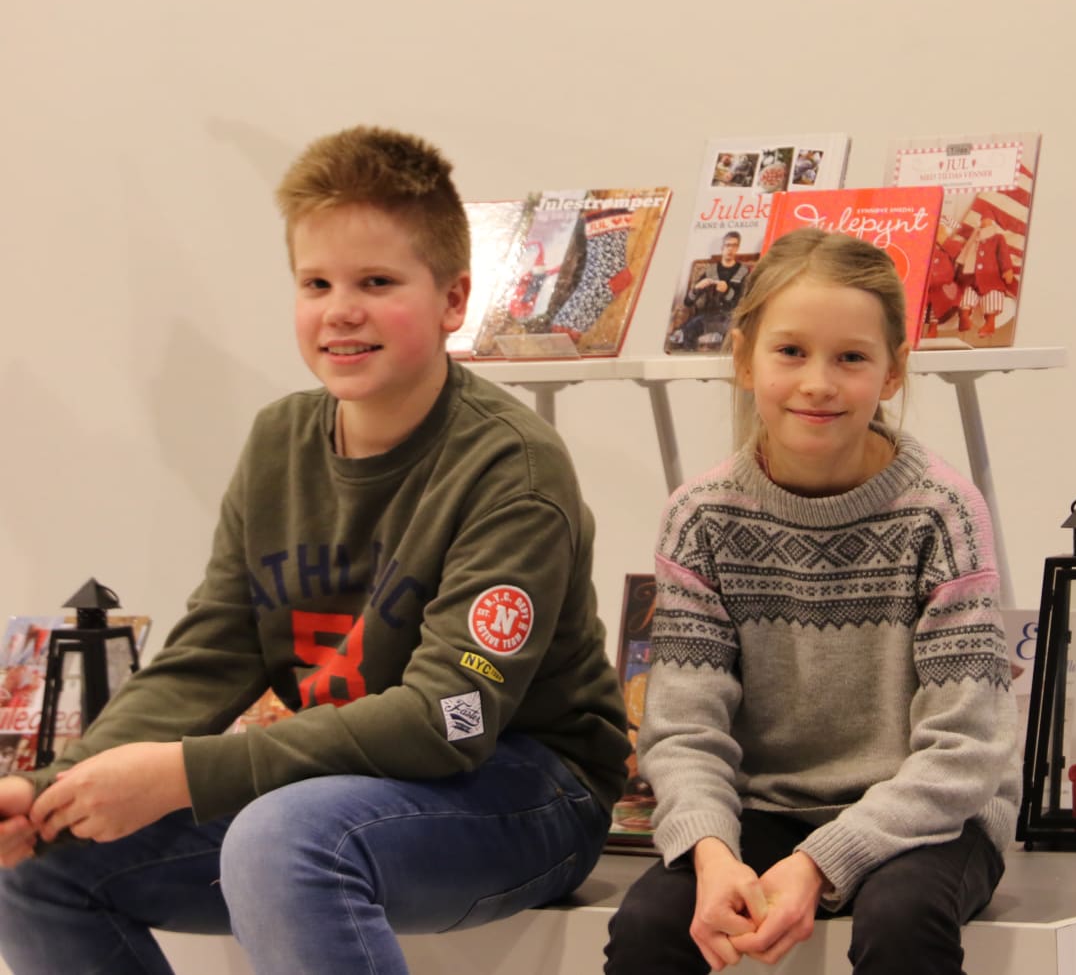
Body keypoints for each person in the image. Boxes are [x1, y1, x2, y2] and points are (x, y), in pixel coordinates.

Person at [0, 125, 630, 975]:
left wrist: (187, 773)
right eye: (316, 283)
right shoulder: (279, 442)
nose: (341, 310)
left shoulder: (511, 468)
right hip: (343, 787)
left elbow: (448, 720)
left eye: (377, 281)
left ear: (453, 300)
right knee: (38, 867)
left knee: (282, 838)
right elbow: (207, 659)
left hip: (530, 789)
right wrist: (50, 790)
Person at [604, 228, 1019, 975]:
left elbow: (967, 748)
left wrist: (820, 863)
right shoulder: (700, 517)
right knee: (647, 928)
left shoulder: (944, 514)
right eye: (791, 351)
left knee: (900, 921)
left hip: (933, 813)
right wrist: (711, 851)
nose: (818, 383)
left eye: (851, 358)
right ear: (744, 360)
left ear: (893, 372)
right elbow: (683, 729)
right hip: (764, 809)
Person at [674, 231, 749, 351]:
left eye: (734, 245)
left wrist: (727, 291)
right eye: (727, 245)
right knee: (690, 329)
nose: (730, 249)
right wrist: (696, 288)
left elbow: (742, 302)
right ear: (722, 248)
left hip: (729, 317)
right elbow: (688, 302)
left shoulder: (743, 272)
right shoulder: (711, 271)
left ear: (737, 248)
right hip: (707, 317)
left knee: (733, 333)